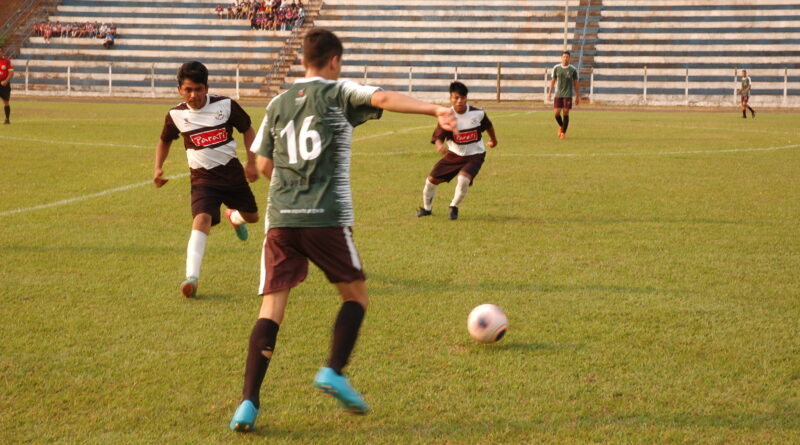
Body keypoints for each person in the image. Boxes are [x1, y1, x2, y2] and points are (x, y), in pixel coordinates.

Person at [229, 28, 457, 433]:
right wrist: (435, 109)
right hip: (326, 217)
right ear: (334, 61)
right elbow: (382, 97)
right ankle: (333, 370)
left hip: (281, 219)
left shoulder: (278, 103)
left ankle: (248, 403)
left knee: (271, 309)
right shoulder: (337, 92)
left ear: (303, 60)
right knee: (356, 296)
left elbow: (261, 166)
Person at [153, 61, 260, 298]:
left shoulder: (226, 105)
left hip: (232, 174)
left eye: (199, 89)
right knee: (201, 220)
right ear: (180, 89)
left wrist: (251, 163)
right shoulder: (176, 115)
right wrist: (158, 168)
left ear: (207, 87)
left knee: (253, 217)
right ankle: (192, 277)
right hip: (202, 179)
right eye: (188, 90)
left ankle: (234, 217)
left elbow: (248, 130)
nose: (194, 95)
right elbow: (165, 140)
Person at [415, 81, 497, 220]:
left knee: (463, 179)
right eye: (456, 98)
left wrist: (493, 140)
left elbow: (488, 126)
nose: (459, 101)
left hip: (475, 154)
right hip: (454, 155)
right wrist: (439, 145)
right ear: (450, 98)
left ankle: (454, 206)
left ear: (466, 98)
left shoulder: (478, 113)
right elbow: (438, 136)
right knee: (430, 181)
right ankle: (427, 209)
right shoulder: (447, 115)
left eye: (462, 98)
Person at [547, 50, 580, 139]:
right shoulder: (556, 68)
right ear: (561, 58)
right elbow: (553, 81)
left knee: (565, 112)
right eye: (564, 57)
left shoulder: (572, 69)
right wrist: (549, 93)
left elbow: (576, 82)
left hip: (568, 94)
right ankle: (562, 126)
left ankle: (563, 133)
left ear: (569, 58)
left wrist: (577, 95)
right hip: (558, 94)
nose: (565, 58)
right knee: (556, 114)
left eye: (567, 57)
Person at [0, 47, 13, 125]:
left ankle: (7, 119)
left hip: (4, 83)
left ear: (2, 52)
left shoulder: (7, 61)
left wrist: (6, 81)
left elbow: (11, 73)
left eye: (0, 51)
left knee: (6, 102)